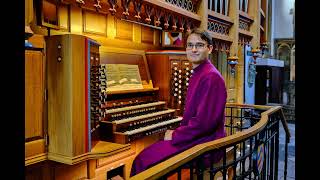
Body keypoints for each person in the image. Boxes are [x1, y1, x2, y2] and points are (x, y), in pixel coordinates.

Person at [130, 28, 227, 177]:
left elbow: (204, 124)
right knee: (148, 155)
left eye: (199, 45)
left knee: (143, 161)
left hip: (206, 144)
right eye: (190, 45)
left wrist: (176, 135)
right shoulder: (200, 72)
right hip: (196, 137)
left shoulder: (211, 77)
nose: (193, 49)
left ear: (210, 49)